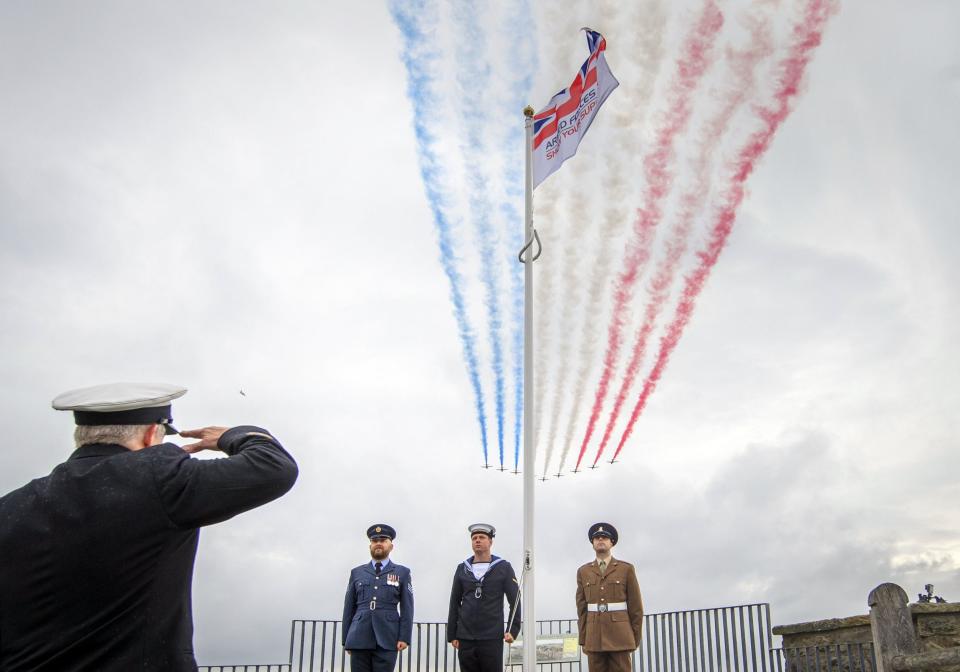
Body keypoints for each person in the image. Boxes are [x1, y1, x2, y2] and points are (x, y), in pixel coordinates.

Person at [0, 382, 299, 671]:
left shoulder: (12, 506)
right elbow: (274, 468)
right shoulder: (158, 481)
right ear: (152, 433)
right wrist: (237, 435)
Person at [447, 523, 521, 672]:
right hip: (465, 637)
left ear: (490, 542)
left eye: (482, 537)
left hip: (491, 637)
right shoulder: (462, 568)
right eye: (474, 538)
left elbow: (515, 600)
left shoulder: (503, 567)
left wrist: (512, 630)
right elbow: (454, 602)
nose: (477, 540)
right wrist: (452, 634)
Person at [342, 524, 414, 672]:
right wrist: (346, 640)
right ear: (370, 546)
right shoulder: (357, 573)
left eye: (383, 540)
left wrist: (404, 637)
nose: (379, 543)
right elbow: (349, 607)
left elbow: (407, 608)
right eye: (375, 541)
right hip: (358, 637)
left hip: (388, 637)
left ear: (391, 546)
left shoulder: (402, 572)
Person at [575, 523, 644, 672]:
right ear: (592, 543)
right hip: (594, 639)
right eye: (597, 538)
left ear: (611, 542)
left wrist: (634, 639)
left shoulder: (626, 569)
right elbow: (581, 610)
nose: (600, 540)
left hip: (620, 637)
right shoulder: (583, 571)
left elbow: (636, 608)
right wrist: (583, 639)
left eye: (604, 537)